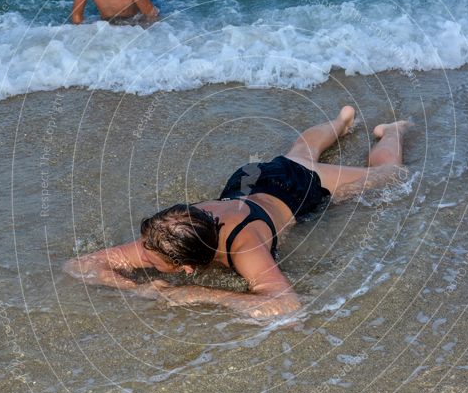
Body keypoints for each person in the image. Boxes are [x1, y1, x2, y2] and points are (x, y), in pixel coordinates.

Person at [64, 106, 412, 319]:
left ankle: (390, 131)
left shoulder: (245, 247)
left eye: (152, 258)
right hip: (247, 182)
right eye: (148, 249)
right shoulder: (168, 234)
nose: (143, 254)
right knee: (297, 153)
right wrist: (134, 288)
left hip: (294, 187)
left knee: (385, 176)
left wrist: (201, 294)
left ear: (187, 267)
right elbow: (80, 265)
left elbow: (287, 307)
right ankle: (342, 120)